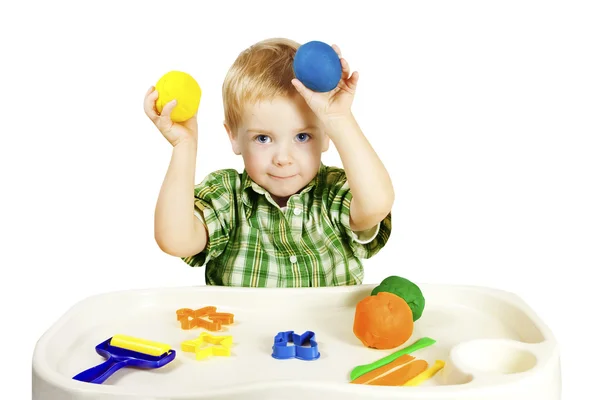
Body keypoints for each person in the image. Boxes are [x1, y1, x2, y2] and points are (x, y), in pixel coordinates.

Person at [143, 37, 394, 287]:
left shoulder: (334, 191)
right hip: (248, 328)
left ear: (326, 134)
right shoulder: (227, 197)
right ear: (234, 137)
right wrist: (184, 147)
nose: (283, 159)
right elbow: (175, 239)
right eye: (263, 138)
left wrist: (339, 118)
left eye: (302, 136)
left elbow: (376, 204)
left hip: (326, 327)